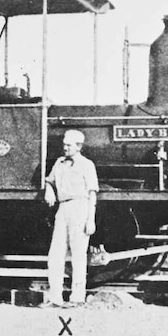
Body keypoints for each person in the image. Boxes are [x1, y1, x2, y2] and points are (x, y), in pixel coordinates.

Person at [42, 130, 99, 308]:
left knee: (78, 255)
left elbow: (92, 193)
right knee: (55, 255)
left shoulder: (87, 165)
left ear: (79, 146)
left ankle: (77, 297)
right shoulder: (59, 163)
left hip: (80, 207)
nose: (65, 147)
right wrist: (49, 190)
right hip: (63, 207)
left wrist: (91, 219)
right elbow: (48, 181)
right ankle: (55, 298)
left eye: (69, 145)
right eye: (64, 144)